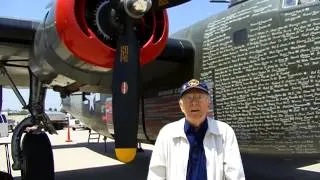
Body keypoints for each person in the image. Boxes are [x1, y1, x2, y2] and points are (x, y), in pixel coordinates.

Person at [147, 79, 245, 180]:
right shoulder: (167, 133)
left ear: (208, 103)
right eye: (189, 98)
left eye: (200, 97)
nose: (194, 102)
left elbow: (235, 174)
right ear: (181, 106)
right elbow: (156, 174)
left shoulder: (224, 132)